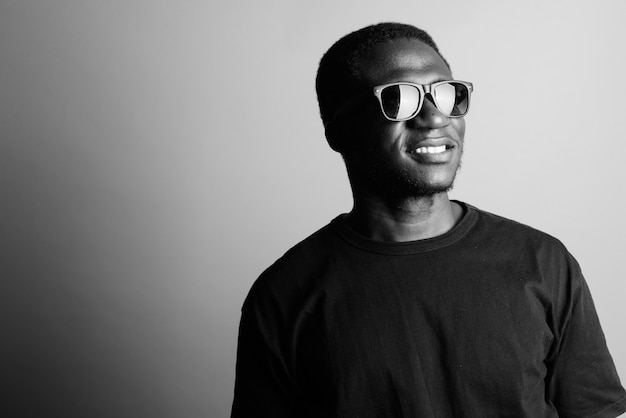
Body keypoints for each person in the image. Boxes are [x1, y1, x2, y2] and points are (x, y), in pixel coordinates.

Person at [231, 22, 626, 417]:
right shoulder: (284, 296)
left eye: (446, 94)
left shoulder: (543, 262)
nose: (435, 118)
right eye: (400, 99)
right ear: (338, 131)